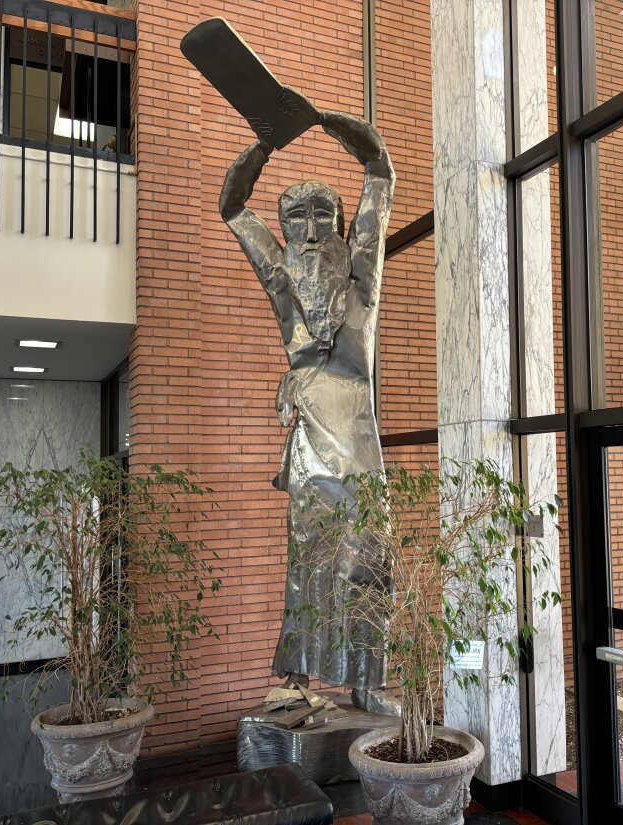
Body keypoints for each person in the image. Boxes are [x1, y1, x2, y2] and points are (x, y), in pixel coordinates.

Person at [219, 110, 396, 710]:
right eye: (297, 218)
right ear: (286, 233)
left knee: (370, 555)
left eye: (325, 215)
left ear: (343, 228)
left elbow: (380, 172)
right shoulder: (281, 276)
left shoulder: (360, 276)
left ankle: (364, 681)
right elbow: (233, 208)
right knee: (310, 561)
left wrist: (329, 122)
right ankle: (296, 676)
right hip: (309, 442)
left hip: (359, 433)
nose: (313, 230)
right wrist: (263, 145)